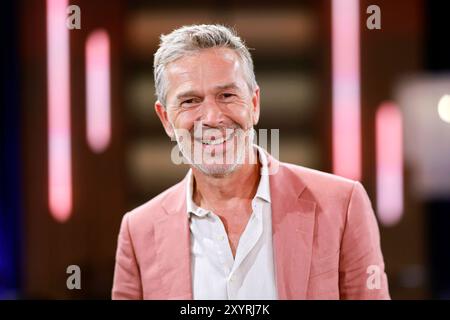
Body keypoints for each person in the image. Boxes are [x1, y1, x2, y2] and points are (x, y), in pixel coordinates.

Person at [112, 24, 390, 300]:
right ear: (165, 119)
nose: (211, 116)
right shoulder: (138, 232)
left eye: (227, 95)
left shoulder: (342, 205)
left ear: (254, 103)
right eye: (190, 101)